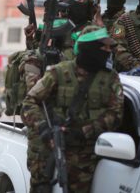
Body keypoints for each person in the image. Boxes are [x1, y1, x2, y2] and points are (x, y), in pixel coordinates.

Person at [21, 26, 124, 193]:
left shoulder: (110, 78)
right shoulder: (59, 72)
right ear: (89, 47)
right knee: (41, 188)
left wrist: (83, 132)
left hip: (84, 152)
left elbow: (116, 114)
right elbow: (30, 101)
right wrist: (43, 128)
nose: (108, 51)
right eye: (103, 47)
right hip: (51, 144)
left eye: (109, 47)